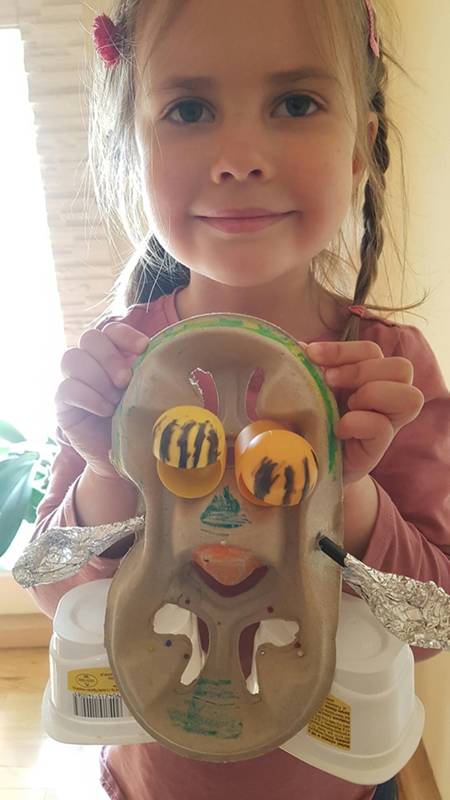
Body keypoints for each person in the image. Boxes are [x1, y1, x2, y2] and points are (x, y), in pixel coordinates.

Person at [27, 1, 449, 799]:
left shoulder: (391, 377)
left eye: (296, 102)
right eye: (189, 109)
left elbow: (433, 626)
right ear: (132, 150)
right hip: (151, 781)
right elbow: (56, 599)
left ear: (359, 148)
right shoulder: (117, 370)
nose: (240, 158)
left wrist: (351, 492)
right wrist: (108, 469)